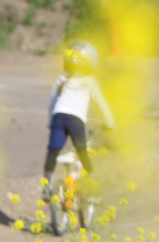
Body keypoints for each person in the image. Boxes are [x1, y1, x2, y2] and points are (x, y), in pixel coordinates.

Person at [42, 41, 115, 198]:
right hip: (76, 120)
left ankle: (46, 188)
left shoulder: (62, 79)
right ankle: (93, 189)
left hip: (58, 118)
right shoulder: (90, 82)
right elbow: (103, 106)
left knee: (53, 151)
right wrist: (110, 124)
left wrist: (50, 122)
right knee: (82, 152)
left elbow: (52, 102)